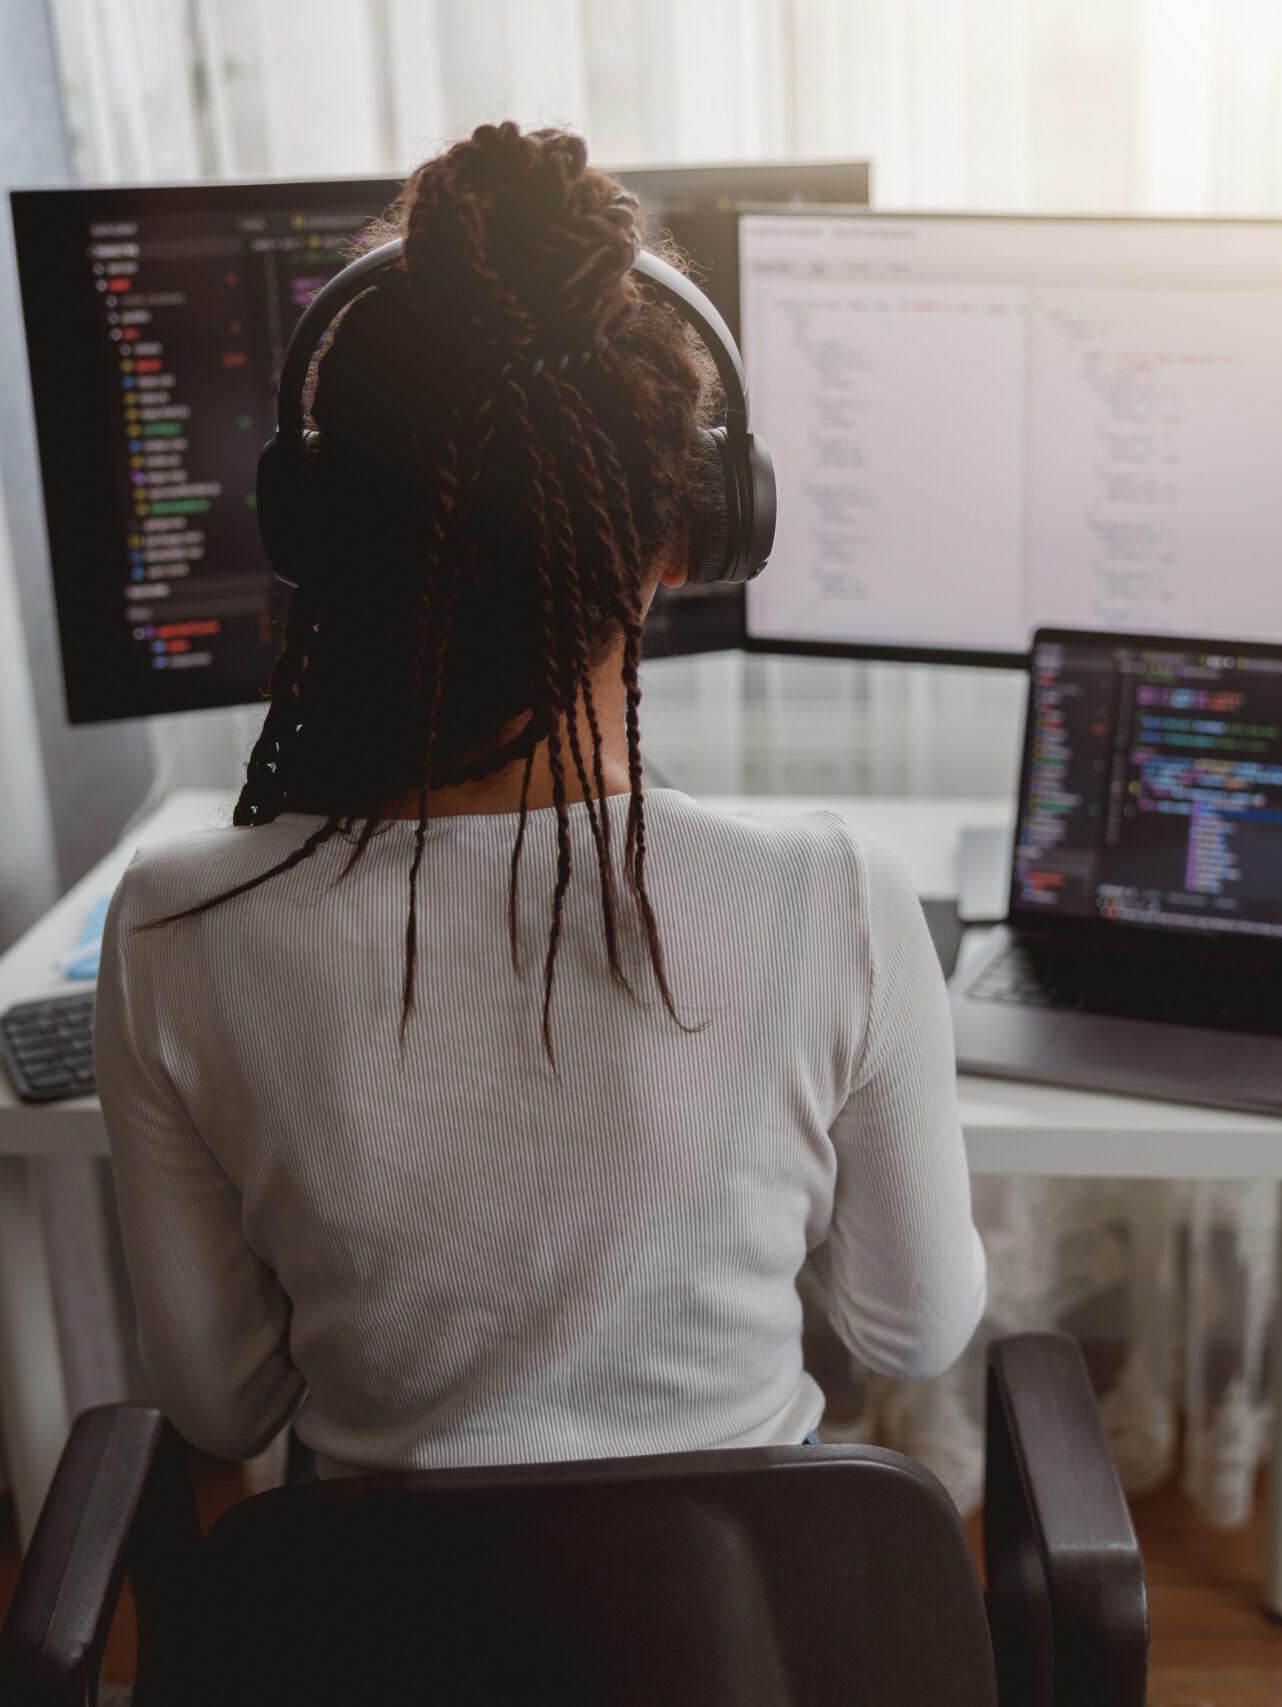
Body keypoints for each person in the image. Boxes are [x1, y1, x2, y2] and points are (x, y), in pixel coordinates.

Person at [93, 124, 985, 1474]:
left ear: (322, 532)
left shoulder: (175, 929)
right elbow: (911, 1333)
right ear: (698, 535)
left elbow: (222, 1411)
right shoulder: (833, 897)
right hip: (747, 1660)